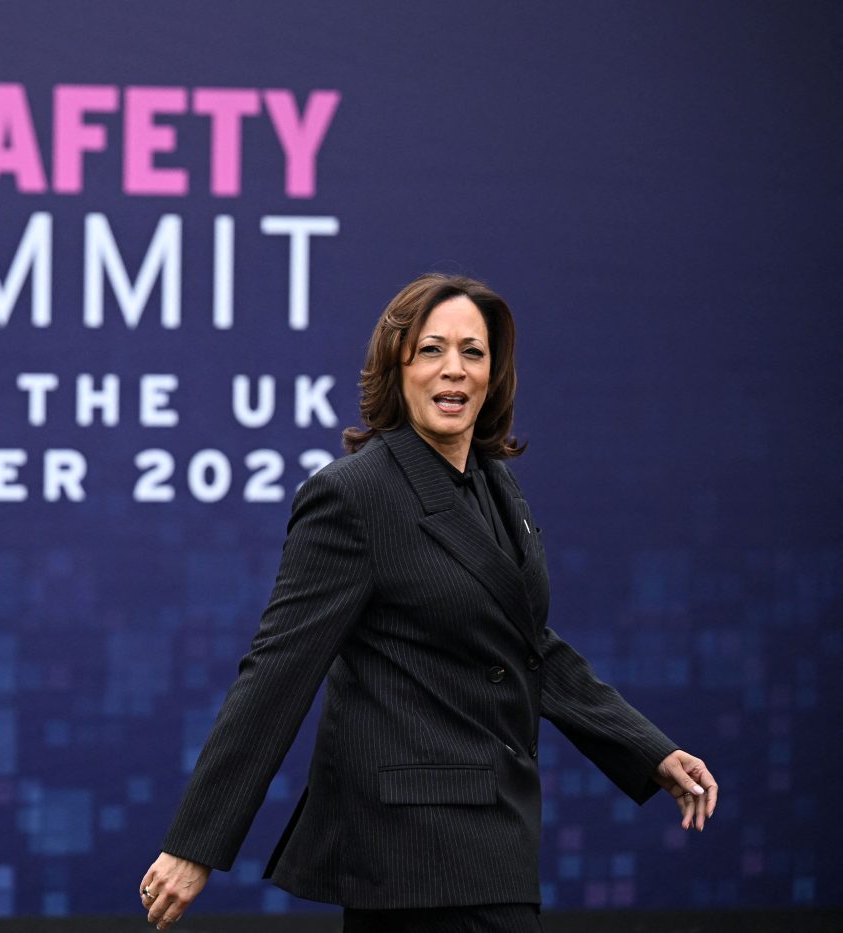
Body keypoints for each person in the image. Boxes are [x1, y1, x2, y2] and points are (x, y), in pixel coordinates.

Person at [138, 274, 718, 933]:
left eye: (473, 352)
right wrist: (196, 844)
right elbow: (276, 673)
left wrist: (645, 749)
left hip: (495, 831)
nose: (454, 369)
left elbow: (528, 644)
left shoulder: (498, 485)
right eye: (432, 350)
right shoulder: (354, 495)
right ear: (397, 367)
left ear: (494, 374)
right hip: (410, 849)